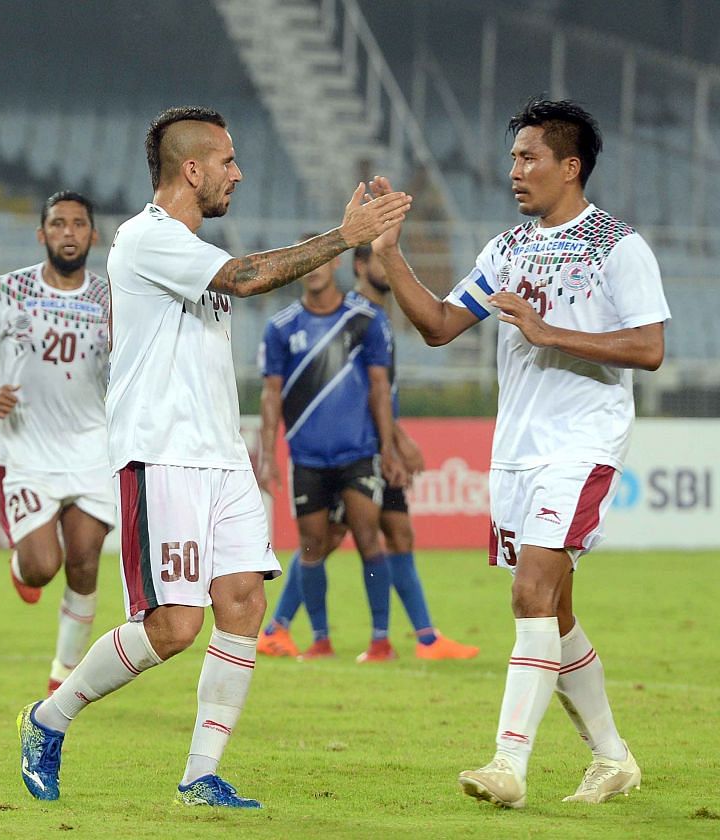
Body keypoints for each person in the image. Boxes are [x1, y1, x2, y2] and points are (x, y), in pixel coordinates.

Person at [14, 106, 412, 808]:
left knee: (242, 604)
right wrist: (344, 238)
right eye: (228, 160)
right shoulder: (146, 238)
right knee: (173, 627)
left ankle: (200, 774)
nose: (239, 172)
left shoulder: (193, 250)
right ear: (191, 169)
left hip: (220, 455)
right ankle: (49, 718)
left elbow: (239, 278)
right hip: (161, 454)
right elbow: (251, 277)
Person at [370, 98, 670, 808]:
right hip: (517, 453)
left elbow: (649, 347)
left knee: (528, 592)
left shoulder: (619, 246)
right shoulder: (507, 248)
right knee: (554, 612)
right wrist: (389, 255)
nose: (514, 170)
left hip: (582, 443)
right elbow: (442, 325)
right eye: (512, 158)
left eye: (529, 157)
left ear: (570, 167)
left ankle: (509, 764)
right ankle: (611, 757)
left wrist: (549, 331)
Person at [257, 243, 479, 662]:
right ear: (358, 267)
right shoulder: (354, 317)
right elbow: (355, 394)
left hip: (371, 445)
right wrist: (394, 440)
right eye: (382, 260)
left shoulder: (377, 318)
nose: (393, 268)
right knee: (334, 539)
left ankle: (423, 637)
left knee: (387, 534)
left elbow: (378, 389)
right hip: (359, 447)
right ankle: (282, 628)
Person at [0, 191, 114, 695]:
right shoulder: (6, 291)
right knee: (45, 567)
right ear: (42, 234)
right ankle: (22, 565)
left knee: (85, 558)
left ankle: (62, 676)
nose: (69, 233)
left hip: (92, 446)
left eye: (79, 224)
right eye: (59, 224)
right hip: (27, 451)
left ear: (93, 235)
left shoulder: (112, 298)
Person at [256, 243, 407, 663]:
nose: (315, 269)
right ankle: (319, 638)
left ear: (335, 263)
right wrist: (267, 456)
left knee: (367, 538)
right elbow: (270, 397)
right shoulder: (281, 327)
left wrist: (389, 448)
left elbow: (380, 389)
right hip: (307, 457)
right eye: (307, 261)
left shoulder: (365, 321)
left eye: (322, 260)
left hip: (357, 452)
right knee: (311, 546)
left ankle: (381, 639)